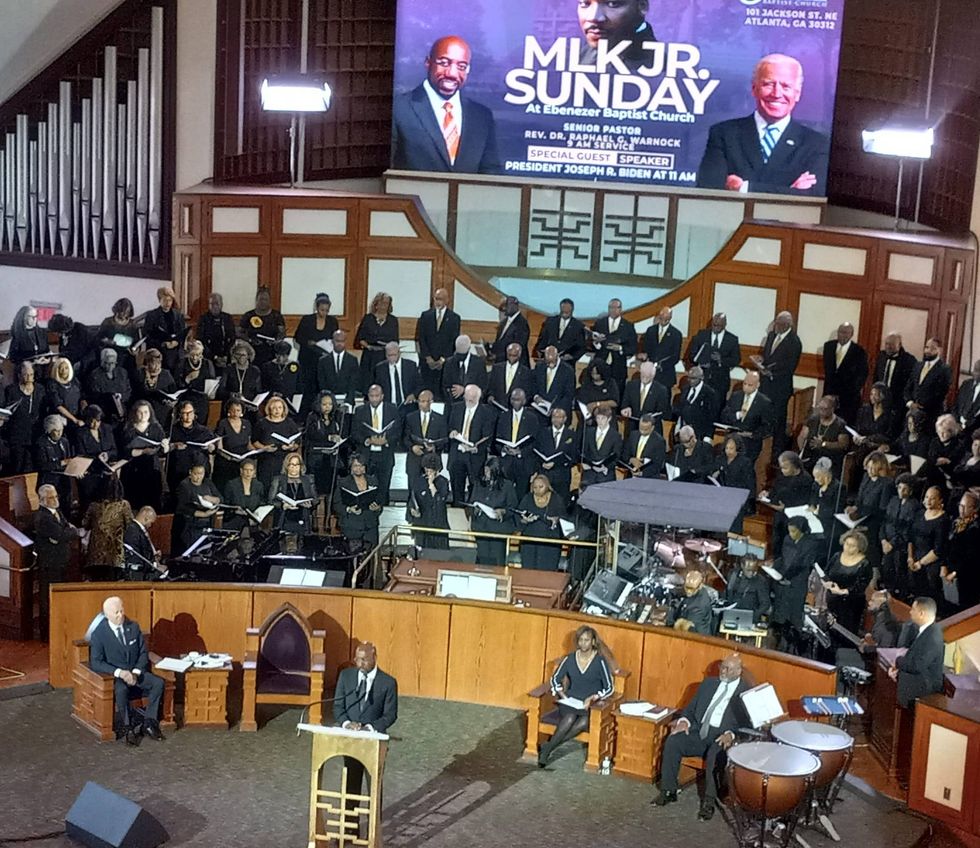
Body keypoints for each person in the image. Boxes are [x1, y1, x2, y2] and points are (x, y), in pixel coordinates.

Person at [696, 54, 829, 196]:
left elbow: (813, 195)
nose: (777, 93)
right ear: (754, 89)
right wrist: (790, 191)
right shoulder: (723, 133)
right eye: (768, 84)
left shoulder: (816, 143)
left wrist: (743, 187)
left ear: (797, 94)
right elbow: (709, 188)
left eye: (786, 86)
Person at [655, 654, 752, 821]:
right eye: (722, 666)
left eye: (728, 668)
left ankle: (708, 802)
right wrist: (684, 721)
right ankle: (669, 790)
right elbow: (690, 709)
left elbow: (750, 726)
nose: (723, 670)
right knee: (674, 741)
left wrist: (731, 734)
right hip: (700, 732)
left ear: (738, 671)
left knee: (714, 754)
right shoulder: (708, 684)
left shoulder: (745, 692)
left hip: (722, 737)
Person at [391, 35, 499, 174]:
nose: (452, 73)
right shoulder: (399, 109)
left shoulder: (482, 116)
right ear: (428, 62)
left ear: (468, 70)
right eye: (444, 63)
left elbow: (492, 173)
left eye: (461, 66)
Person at [88, 595, 166, 744]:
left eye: (122, 611)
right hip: (117, 676)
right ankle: (128, 727)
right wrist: (119, 673)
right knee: (121, 690)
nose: (120, 615)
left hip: (135, 672)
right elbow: (96, 662)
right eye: (116, 612)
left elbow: (143, 653)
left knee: (158, 683)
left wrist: (136, 671)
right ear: (107, 615)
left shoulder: (133, 627)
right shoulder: (99, 634)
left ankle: (149, 723)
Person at [537, 625, 615, 767]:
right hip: (570, 702)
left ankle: (548, 747)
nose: (583, 643)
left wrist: (594, 697)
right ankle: (547, 751)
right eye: (581, 640)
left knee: (584, 721)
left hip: (590, 705)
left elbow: (610, 687)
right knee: (570, 717)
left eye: (587, 640)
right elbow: (555, 679)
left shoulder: (600, 661)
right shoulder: (570, 659)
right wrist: (561, 693)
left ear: (593, 642)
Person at [333, 642, 398, 809]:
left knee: (373, 790)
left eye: (364, 660)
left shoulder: (388, 683)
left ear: (374, 658)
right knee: (351, 787)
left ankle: (373, 830)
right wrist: (347, 724)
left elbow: (390, 715)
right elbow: (338, 706)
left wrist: (369, 727)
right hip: (351, 741)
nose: (360, 663)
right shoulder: (346, 677)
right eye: (357, 659)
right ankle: (349, 832)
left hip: (373, 742)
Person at [34, 484, 82, 636]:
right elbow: (63, 534)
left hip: (62, 560)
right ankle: (47, 633)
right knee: (48, 599)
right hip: (50, 563)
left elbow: (67, 529)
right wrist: (70, 532)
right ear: (42, 500)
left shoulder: (57, 511)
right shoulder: (43, 517)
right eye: (51, 498)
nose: (55, 500)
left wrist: (68, 532)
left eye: (55, 496)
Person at [770, 516, 823, 653]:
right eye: (789, 531)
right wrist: (776, 570)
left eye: (794, 531)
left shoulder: (811, 543)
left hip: (797, 583)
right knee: (780, 613)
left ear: (802, 531)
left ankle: (792, 648)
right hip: (783, 582)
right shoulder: (787, 539)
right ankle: (779, 644)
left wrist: (788, 577)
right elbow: (783, 557)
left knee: (793, 616)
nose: (791, 534)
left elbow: (803, 564)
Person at [754, 311, 802, 452]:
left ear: (788, 325)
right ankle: (763, 447)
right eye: (776, 322)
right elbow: (767, 357)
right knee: (764, 415)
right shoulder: (771, 336)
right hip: (765, 385)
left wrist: (772, 373)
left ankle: (776, 450)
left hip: (780, 387)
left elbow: (790, 366)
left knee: (778, 420)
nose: (777, 326)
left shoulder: (794, 342)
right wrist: (761, 363)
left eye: (780, 323)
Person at [887, 596, 944, 709]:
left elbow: (917, 665)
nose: (910, 612)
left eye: (913, 609)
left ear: (921, 613)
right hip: (912, 690)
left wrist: (897, 662)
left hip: (920, 694)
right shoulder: (925, 631)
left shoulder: (932, 637)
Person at [847, 451, 896, 572]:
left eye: (872, 468)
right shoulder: (866, 478)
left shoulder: (887, 484)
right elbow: (860, 498)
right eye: (868, 467)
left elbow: (882, 509)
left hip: (876, 521)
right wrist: (854, 508)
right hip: (862, 517)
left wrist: (860, 510)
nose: (869, 471)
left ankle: (873, 572)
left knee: (866, 537)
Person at [352, 384, 400, 504]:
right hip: (367, 456)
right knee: (366, 487)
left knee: (383, 486)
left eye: (376, 396)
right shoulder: (360, 411)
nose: (374, 399)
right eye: (371, 396)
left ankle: (384, 511)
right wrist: (368, 441)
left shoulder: (392, 409)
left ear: (382, 396)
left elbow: (398, 431)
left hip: (385, 455)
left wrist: (386, 440)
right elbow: (355, 433)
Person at [447, 384, 495, 504]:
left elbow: (488, 436)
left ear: (479, 398)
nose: (469, 400)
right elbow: (448, 426)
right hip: (457, 453)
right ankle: (458, 509)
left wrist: (476, 447)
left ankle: (472, 511)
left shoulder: (487, 413)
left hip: (475, 456)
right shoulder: (455, 408)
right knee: (457, 485)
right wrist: (451, 432)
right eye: (467, 398)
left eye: (473, 398)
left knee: (475, 486)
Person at [686, 312, 741, 416]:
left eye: (718, 325)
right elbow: (692, 355)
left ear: (724, 325)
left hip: (720, 382)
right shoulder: (702, 335)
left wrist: (721, 360)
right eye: (713, 325)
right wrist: (700, 362)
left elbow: (736, 359)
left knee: (716, 411)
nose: (715, 327)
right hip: (702, 379)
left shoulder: (732, 339)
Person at [120, 400, 169, 513]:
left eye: (146, 412)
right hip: (133, 469)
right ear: (135, 413)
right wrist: (142, 451)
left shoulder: (156, 428)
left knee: (152, 500)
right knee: (135, 502)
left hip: (152, 468)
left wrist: (165, 446)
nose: (143, 415)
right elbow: (125, 451)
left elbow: (162, 451)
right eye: (140, 412)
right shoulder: (129, 429)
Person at [822, 529, 873, 636]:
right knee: (829, 629)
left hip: (851, 604)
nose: (848, 547)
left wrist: (842, 591)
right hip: (833, 599)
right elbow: (826, 573)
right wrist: (826, 583)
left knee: (845, 633)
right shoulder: (836, 556)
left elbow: (860, 586)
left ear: (859, 548)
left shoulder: (865, 564)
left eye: (852, 545)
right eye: (846, 543)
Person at [577, 0, 656, 69]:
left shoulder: (661, 67)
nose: (593, 17)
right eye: (584, 3)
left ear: (642, 6)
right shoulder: (576, 56)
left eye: (613, 4)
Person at [469, 457, 518, 566]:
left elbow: (513, 507)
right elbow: (472, 501)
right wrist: (475, 509)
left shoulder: (507, 485)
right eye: (485, 470)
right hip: (481, 527)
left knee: (497, 561)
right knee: (482, 560)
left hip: (498, 530)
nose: (486, 473)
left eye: (489, 471)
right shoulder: (479, 483)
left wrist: (503, 512)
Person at [880, 474, 922, 599]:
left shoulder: (914, 506)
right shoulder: (893, 501)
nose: (901, 491)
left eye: (905, 489)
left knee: (899, 572)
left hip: (900, 547)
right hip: (887, 542)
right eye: (899, 488)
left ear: (911, 491)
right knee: (887, 570)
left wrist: (892, 543)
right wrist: (883, 540)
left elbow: (906, 530)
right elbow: (885, 522)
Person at [761, 451, 812, 552]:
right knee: (776, 542)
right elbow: (775, 489)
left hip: (795, 519)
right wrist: (766, 494)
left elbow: (803, 502)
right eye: (781, 467)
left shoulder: (805, 479)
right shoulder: (781, 475)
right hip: (779, 516)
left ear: (794, 466)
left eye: (785, 468)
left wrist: (785, 508)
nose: (783, 470)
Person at [166, 401, 217, 501]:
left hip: (199, 473)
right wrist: (174, 446)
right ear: (180, 414)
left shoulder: (203, 431)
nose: (188, 416)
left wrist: (212, 447)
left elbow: (213, 447)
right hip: (179, 473)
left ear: (194, 414)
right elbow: (163, 450)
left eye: (190, 412)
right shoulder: (172, 430)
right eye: (184, 413)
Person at [294, 293, 339, 404]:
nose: (324, 313)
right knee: (308, 390)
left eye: (326, 310)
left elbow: (335, 338)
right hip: (308, 359)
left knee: (323, 388)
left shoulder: (333, 321)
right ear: (316, 307)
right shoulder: (307, 320)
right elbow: (298, 337)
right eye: (322, 310)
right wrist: (309, 342)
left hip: (324, 359)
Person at [83, 476, 134, 575]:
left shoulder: (93, 506)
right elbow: (130, 525)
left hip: (95, 555)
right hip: (115, 553)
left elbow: (85, 524)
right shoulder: (123, 505)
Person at [251, 394, 302, 491]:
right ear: (269, 409)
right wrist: (264, 448)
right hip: (267, 460)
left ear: (284, 409)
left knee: (283, 487)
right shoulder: (262, 423)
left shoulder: (289, 423)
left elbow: (297, 441)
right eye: (274, 408)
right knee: (268, 487)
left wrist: (292, 446)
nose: (277, 410)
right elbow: (254, 441)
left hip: (285, 459)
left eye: (279, 407)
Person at [74, 404, 119, 512]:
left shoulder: (107, 429)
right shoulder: (80, 433)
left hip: (106, 473)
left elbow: (114, 450)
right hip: (90, 474)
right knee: (89, 505)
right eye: (92, 421)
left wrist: (107, 454)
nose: (95, 424)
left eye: (98, 421)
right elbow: (81, 455)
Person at [907, 485, 948, 603]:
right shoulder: (919, 514)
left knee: (930, 597)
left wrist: (920, 563)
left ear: (940, 500)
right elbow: (911, 537)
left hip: (931, 564)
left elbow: (938, 550)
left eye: (933, 498)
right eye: (926, 497)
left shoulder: (943, 520)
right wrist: (910, 557)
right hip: (915, 560)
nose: (928, 501)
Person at [305, 391, 349, 499]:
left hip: (332, 460)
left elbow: (343, 434)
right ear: (318, 404)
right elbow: (311, 435)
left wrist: (339, 440)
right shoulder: (312, 417)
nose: (327, 407)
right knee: (318, 490)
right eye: (324, 404)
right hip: (317, 459)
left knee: (332, 489)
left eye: (330, 404)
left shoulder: (337, 416)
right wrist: (328, 437)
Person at [516, 474, 566, 570]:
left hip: (550, 545)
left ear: (547, 485)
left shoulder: (556, 499)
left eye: (541, 487)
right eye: (535, 487)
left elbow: (564, 518)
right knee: (528, 573)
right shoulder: (527, 498)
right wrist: (524, 520)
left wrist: (557, 520)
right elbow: (518, 519)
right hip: (529, 544)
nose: (537, 490)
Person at [416, 287, 461, 394]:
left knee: (441, 393)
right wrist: (428, 357)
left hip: (444, 364)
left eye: (441, 299)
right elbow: (421, 338)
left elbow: (453, 341)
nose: (438, 301)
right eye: (436, 298)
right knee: (426, 391)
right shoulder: (425, 315)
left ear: (447, 300)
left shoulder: (454, 318)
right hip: (427, 363)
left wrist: (442, 359)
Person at [822, 323, 868, 424]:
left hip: (848, 399)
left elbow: (862, 376)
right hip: (829, 394)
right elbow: (828, 371)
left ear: (851, 334)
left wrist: (845, 393)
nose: (842, 335)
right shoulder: (828, 346)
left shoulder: (859, 351)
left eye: (846, 333)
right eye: (840, 332)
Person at [496, 387, 539, 496]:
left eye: (518, 399)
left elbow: (534, 441)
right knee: (505, 493)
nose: (515, 402)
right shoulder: (503, 416)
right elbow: (497, 439)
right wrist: (503, 449)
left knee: (521, 494)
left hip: (523, 463)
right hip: (507, 462)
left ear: (524, 401)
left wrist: (520, 452)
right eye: (513, 399)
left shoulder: (532, 418)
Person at [721, 370, 772, 461]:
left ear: (757, 385)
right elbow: (724, 415)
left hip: (750, 444)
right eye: (745, 384)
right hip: (732, 441)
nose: (746, 387)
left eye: (750, 385)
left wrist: (752, 434)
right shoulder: (736, 396)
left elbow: (768, 426)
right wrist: (737, 415)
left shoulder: (764, 402)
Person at [337, 455, 384, 551]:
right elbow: (336, 504)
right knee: (353, 556)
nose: (359, 468)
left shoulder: (373, 481)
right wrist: (349, 509)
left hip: (370, 526)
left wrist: (377, 508)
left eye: (361, 465)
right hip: (351, 527)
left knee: (371, 555)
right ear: (351, 467)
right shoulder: (343, 483)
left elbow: (380, 500)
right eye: (355, 465)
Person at [591, 299, 636, 399]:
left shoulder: (628, 326)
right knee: (598, 396)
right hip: (601, 368)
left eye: (616, 308)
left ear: (621, 309)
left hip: (618, 370)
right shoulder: (600, 323)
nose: (613, 310)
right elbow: (592, 345)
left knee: (616, 397)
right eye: (611, 308)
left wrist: (620, 348)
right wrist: (597, 342)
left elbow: (632, 348)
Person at [355, 292, 399, 394]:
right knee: (368, 383)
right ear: (376, 304)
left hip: (385, 355)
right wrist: (368, 346)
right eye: (382, 303)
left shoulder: (393, 320)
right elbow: (360, 338)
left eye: (387, 303)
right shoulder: (368, 318)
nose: (384, 306)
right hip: (370, 355)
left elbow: (395, 340)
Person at [904, 337, 952, 430]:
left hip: (930, 415)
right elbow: (908, 387)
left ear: (939, 350)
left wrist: (921, 406)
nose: (928, 351)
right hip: (911, 412)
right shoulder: (918, 365)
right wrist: (910, 403)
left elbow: (941, 393)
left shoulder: (944, 369)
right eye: (926, 347)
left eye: (932, 348)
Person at [943, 492, 980, 610]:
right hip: (951, 569)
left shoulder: (975, 528)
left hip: (967, 575)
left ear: (975, 509)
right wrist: (944, 566)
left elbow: (971, 557)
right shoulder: (956, 522)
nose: (961, 510)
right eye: (960, 505)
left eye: (965, 507)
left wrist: (955, 573)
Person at [4, 361, 42, 474]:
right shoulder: (11, 390)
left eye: (31, 374)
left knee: (32, 467)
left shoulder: (40, 390)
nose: (28, 377)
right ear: (19, 375)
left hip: (34, 435)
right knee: (17, 466)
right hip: (17, 436)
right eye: (25, 374)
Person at [797, 395, 850, 476]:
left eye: (825, 409)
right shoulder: (813, 420)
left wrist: (823, 444)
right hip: (811, 457)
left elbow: (843, 444)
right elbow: (802, 436)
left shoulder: (840, 424)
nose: (821, 411)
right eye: (820, 408)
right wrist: (802, 452)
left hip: (830, 458)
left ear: (832, 409)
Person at [407, 452, 451, 549]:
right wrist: (413, 511)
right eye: (426, 470)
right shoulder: (419, 481)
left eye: (430, 471)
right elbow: (412, 499)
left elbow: (440, 501)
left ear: (436, 470)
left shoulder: (443, 482)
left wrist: (431, 485)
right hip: (422, 525)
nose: (428, 473)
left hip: (438, 527)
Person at [712, 435, 755, 532]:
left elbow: (750, 484)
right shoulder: (720, 459)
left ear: (737, 448)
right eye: (726, 448)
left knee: (733, 529)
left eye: (731, 448)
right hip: (721, 499)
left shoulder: (745, 462)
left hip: (737, 500)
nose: (728, 451)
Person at [174, 462, 220, 552]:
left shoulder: (207, 482)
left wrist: (212, 499)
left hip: (207, 523)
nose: (198, 477)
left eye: (201, 474)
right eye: (196, 473)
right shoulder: (184, 485)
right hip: (190, 525)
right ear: (190, 472)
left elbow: (220, 498)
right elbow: (183, 507)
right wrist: (203, 514)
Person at [533, 407, 577, 499]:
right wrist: (542, 463)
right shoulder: (542, 432)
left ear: (565, 419)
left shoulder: (572, 435)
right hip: (545, 474)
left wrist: (557, 463)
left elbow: (574, 456)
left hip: (562, 475)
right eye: (554, 417)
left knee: (561, 503)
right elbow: (535, 451)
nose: (556, 419)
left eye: (559, 417)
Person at [214, 398, 255, 493]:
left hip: (241, 461)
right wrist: (229, 457)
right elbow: (219, 448)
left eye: (238, 410)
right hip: (226, 461)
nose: (235, 413)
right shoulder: (223, 423)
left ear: (242, 411)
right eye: (233, 410)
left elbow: (249, 445)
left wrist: (259, 450)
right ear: (228, 410)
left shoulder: (247, 423)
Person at [269, 453, 317, 534]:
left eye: (296, 465)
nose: (294, 468)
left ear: (301, 466)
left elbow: (315, 499)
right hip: (284, 518)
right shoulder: (278, 479)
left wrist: (310, 503)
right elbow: (271, 501)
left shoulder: (307, 480)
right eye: (291, 465)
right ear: (286, 466)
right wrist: (282, 505)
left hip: (302, 517)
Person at [143, 286, 186, 373]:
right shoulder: (152, 315)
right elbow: (147, 335)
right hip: (159, 351)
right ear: (159, 300)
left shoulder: (178, 315)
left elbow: (182, 333)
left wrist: (176, 342)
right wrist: (163, 343)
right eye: (165, 300)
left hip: (175, 352)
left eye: (170, 300)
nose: (168, 303)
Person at [239, 287, 285, 367]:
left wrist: (276, 341)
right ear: (256, 300)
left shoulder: (276, 316)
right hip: (252, 352)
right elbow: (239, 332)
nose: (263, 302)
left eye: (265, 299)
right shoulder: (248, 315)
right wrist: (250, 340)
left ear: (269, 301)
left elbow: (282, 333)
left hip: (271, 353)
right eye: (261, 299)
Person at [621, 360, 669, 437]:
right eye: (643, 375)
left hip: (651, 430)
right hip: (633, 428)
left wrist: (649, 419)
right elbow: (624, 404)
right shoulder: (631, 386)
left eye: (647, 375)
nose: (644, 377)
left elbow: (662, 411)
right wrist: (626, 409)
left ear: (653, 375)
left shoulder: (661, 390)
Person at [133, 348, 178, 427]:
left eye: (159, 363)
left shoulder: (166, 374)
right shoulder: (140, 373)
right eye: (154, 363)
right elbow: (137, 393)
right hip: (144, 409)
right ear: (147, 363)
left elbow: (173, 392)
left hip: (162, 410)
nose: (157, 366)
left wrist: (171, 401)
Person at [176, 338, 217, 424]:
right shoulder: (182, 363)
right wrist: (187, 379)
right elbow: (177, 384)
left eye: (198, 355)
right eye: (192, 355)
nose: (195, 358)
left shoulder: (207, 364)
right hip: (187, 397)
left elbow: (212, 381)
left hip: (202, 398)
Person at [874, 333, 918, 413]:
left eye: (891, 344)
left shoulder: (909, 361)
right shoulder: (881, 356)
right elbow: (876, 377)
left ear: (900, 345)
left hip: (898, 404)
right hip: (880, 401)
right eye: (886, 344)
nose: (888, 347)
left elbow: (911, 384)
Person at [36, 414, 74, 506]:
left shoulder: (64, 441)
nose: (59, 433)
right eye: (56, 431)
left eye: (61, 430)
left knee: (66, 503)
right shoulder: (41, 443)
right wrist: (61, 463)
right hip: (49, 480)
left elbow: (69, 459)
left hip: (64, 480)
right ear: (49, 430)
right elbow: (42, 465)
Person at [640, 306, 682, 391]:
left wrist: (661, 365)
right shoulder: (651, 330)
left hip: (666, 375)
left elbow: (676, 356)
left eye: (666, 318)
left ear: (670, 317)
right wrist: (644, 355)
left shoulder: (676, 334)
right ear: (659, 316)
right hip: (649, 374)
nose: (663, 320)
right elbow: (645, 349)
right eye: (662, 317)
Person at [96, 298, 141, 376]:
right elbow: (98, 339)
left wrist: (136, 350)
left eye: (127, 312)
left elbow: (136, 342)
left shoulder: (133, 324)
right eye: (122, 312)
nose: (124, 315)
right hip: (111, 355)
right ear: (117, 310)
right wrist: (107, 341)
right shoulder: (108, 322)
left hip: (127, 355)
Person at [672, 366, 717, 443]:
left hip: (699, 433)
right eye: (689, 378)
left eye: (693, 378)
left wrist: (708, 436)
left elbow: (712, 416)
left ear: (701, 377)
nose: (690, 381)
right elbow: (680, 408)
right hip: (683, 431)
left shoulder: (709, 393)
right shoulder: (685, 389)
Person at [86, 348, 132, 425]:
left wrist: (121, 396)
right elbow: (94, 396)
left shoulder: (122, 373)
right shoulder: (95, 376)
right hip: (105, 414)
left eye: (113, 363)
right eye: (107, 363)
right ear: (102, 362)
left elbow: (128, 390)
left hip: (123, 412)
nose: (110, 366)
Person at [853, 382, 898, 458]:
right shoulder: (864, 410)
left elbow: (888, 436)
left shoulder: (890, 415)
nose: (872, 397)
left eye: (875, 394)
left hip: (879, 450)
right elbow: (858, 428)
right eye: (871, 394)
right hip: (862, 448)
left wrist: (868, 438)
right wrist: (856, 437)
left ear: (883, 396)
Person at [534, 298, 586, 364]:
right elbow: (542, 339)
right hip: (548, 360)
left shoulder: (578, 326)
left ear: (572, 309)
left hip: (567, 363)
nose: (565, 312)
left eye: (567, 311)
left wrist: (572, 356)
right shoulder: (550, 322)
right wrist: (540, 352)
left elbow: (581, 347)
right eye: (563, 310)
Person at [580, 406, 622, 488]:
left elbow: (616, 456)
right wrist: (587, 464)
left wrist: (605, 467)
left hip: (605, 475)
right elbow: (584, 451)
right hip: (589, 474)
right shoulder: (589, 432)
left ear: (609, 419)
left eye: (603, 418)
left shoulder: (615, 436)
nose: (600, 421)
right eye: (598, 418)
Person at [720, 556, 770, 624]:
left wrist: (754, 616)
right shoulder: (732, 574)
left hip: (750, 617)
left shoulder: (760, 581)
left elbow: (765, 603)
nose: (751, 573)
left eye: (754, 570)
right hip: (730, 614)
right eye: (748, 570)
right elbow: (726, 593)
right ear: (742, 565)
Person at [222, 458, 267, 532]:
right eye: (246, 470)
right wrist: (234, 511)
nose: (248, 472)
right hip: (235, 519)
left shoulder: (259, 485)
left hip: (253, 521)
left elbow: (261, 503)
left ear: (254, 471)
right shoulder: (232, 484)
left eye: (251, 470)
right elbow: (226, 505)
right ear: (241, 470)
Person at [532, 345, 576, 420]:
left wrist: (556, 409)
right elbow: (533, 385)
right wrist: (536, 397)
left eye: (552, 361)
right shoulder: (539, 366)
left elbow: (569, 395)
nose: (550, 364)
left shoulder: (568, 371)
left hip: (558, 414)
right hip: (539, 412)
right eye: (547, 362)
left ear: (557, 356)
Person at [374, 340, 419, 412]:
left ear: (399, 353)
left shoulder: (410, 366)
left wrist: (413, 395)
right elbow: (378, 387)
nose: (392, 358)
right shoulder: (380, 368)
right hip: (388, 406)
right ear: (385, 355)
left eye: (394, 355)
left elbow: (420, 385)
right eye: (389, 355)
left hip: (407, 404)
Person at [317, 329, 360, 402]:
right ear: (332, 341)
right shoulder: (323, 361)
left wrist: (349, 399)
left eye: (342, 341)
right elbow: (321, 382)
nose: (339, 344)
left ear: (345, 342)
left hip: (347, 398)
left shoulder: (352, 360)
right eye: (337, 341)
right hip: (328, 400)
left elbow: (354, 382)